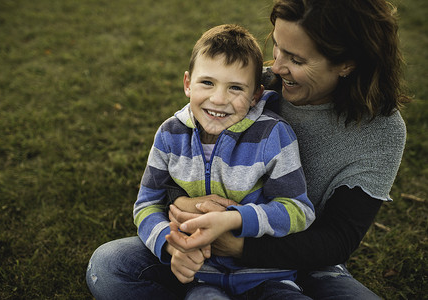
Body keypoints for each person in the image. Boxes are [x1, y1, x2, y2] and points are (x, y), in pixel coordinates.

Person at [87, 0, 409, 298]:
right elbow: (189, 156)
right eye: (277, 47)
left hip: (305, 259)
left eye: (296, 59)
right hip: (205, 249)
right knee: (109, 267)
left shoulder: (380, 132)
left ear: (347, 64)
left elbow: (337, 239)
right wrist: (186, 207)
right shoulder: (257, 86)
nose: (277, 67)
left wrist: (235, 240)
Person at [87, 23, 315, 299]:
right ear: (187, 84)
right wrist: (174, 246)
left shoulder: (273, 135)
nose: (218, 99)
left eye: (235, 88)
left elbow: (298, 210)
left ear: (255, 96)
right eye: (207, 83)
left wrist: (233, 220)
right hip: (203, 279)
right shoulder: (170, 135)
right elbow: (148, 204)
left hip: (269, 276)